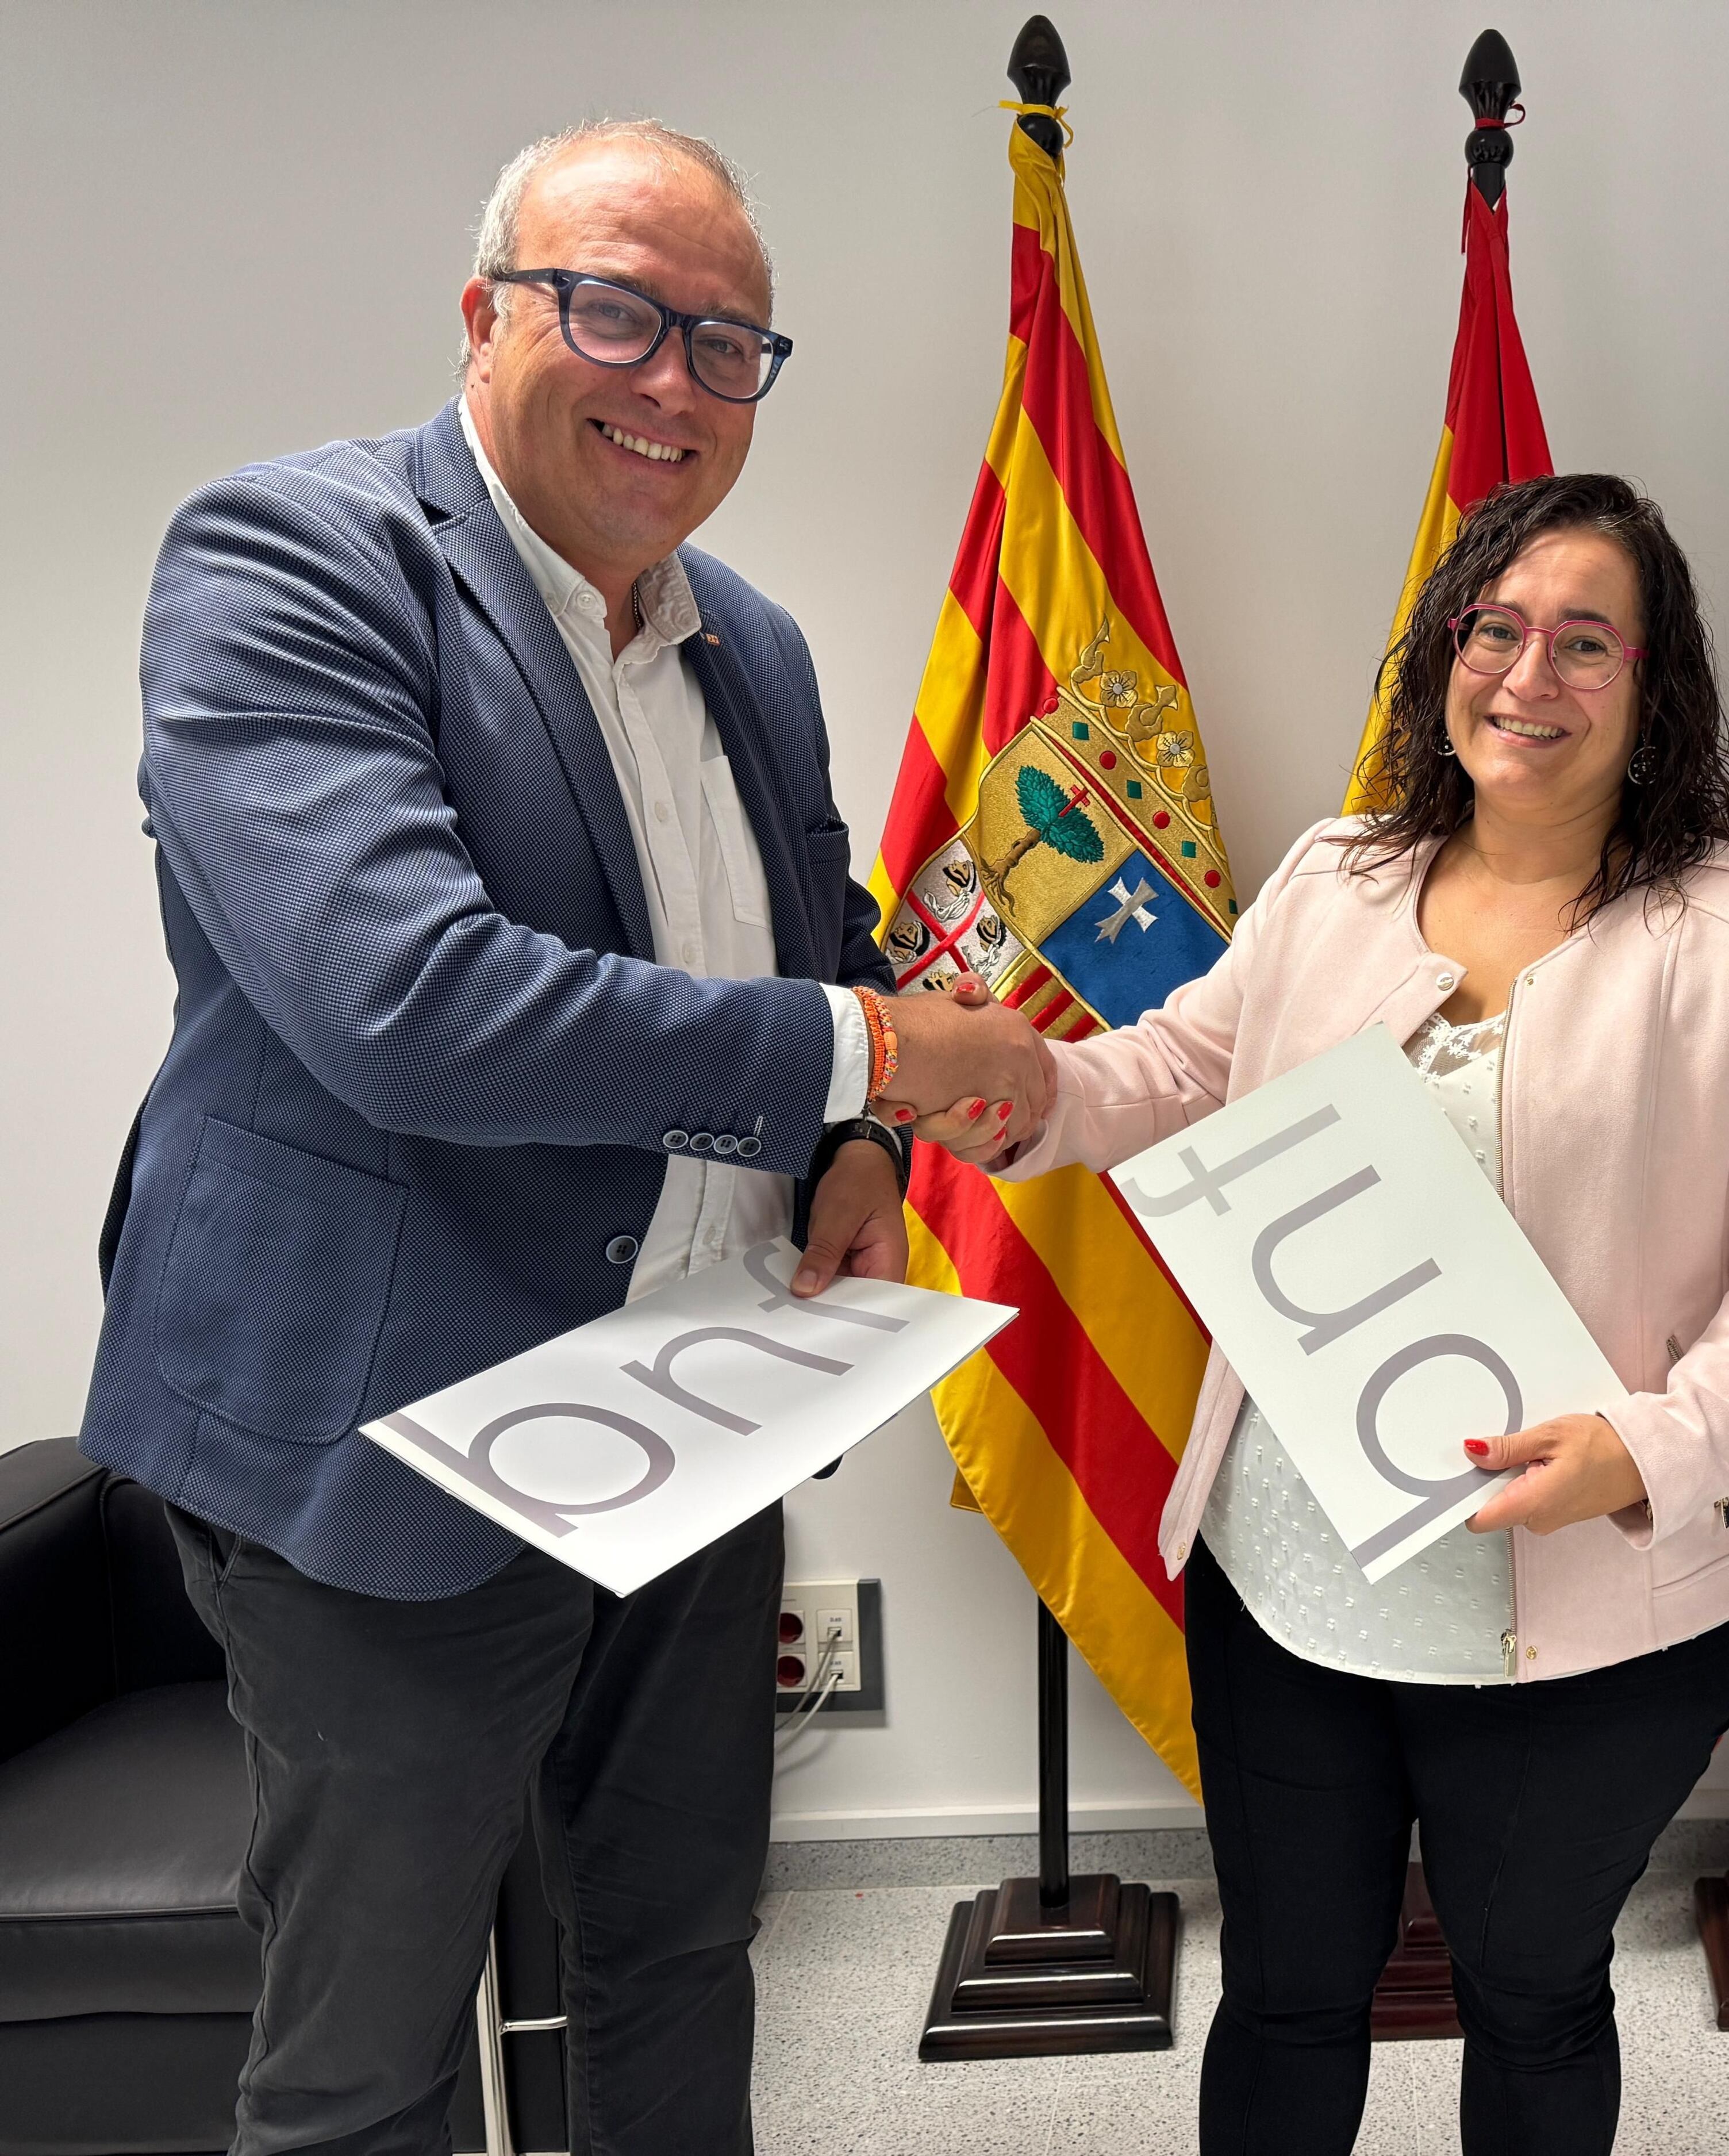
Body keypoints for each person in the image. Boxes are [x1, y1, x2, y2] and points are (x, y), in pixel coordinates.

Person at [82, 120, 1042, 2154]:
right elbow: (410, 1010)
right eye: (615, 309)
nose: (672, 380)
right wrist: (875, 1047)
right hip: (384, 1442)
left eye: (728, 343)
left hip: (695, 1418)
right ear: (486, 315)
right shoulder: (291, 561)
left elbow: (811, 942)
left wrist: (863, 1155)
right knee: (371, 2051)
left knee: (681, 1954)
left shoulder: (751, 646)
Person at [911, 473, 1729, 2154]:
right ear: (1443, 654)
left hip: (1593, 1595)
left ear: (1653, 686)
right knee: (1294, 1983)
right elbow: (1179, 1076)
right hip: (1294, 1570)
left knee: (1531, 1988)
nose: (1528, 676)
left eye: (1584, 642)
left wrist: (1647, 1448)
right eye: (1494, 629)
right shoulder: (1337, 873)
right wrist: (1023, 1093)